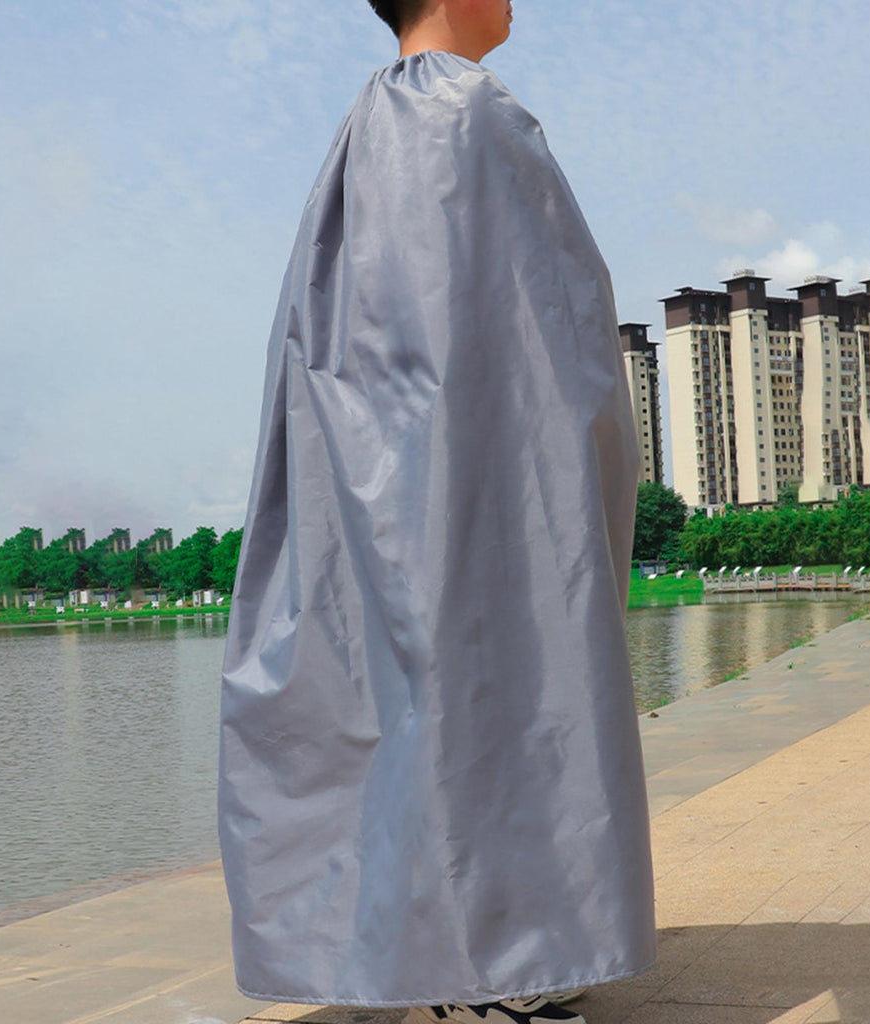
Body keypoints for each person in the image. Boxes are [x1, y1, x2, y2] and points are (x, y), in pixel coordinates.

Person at [218, 2, 657, 1022]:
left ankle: (456, 950)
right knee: (500, 683)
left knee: (413, 702)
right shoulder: (467, 116)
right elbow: (534, 328)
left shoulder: (367, 129)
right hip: (471, 472)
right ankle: (497, 963)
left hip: (397, 474)